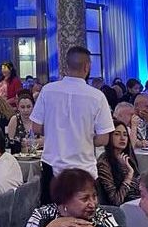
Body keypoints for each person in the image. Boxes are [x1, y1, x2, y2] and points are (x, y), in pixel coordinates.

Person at [32, 47, 115, 205]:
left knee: (51, 214)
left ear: (66, 66)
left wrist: (54, 132)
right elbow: (103, 139)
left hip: (52, 167)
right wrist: (84, 136)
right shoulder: (97, 96)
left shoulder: (48, 90)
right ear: (87, 67)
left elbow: (36, 128)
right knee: (84, 215)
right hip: (84, 168)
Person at [19, 167, 131, 227]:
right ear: (64, 200)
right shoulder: (43, 214)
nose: (93, 204)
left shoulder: (103, 217)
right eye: (85, 199)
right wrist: (55, 225)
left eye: (94, 196)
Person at [96, 121, 139, 206]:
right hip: (120, 208)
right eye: (117, 134)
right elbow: (116, 200)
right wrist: (129, 175)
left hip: (135, 202)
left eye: (125, 135)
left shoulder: (127, 157)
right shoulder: (104, 163)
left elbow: (137, 188)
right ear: (109, 137)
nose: (122, 138)